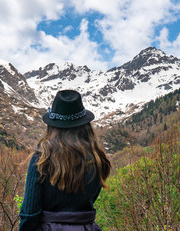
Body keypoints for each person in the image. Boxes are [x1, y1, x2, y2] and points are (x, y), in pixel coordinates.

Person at [19, 90, 111, 231]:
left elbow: (30, 213)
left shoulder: (41, 158)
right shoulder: (98, 159)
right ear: (84, 125)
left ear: (53, 126)